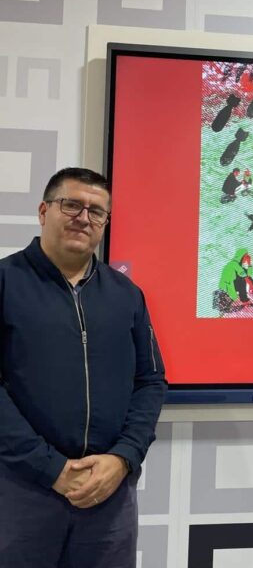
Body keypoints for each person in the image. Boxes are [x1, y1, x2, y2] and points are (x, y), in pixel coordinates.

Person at [0, 167, 167, 568]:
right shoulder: (6, 283)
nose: (83, 218)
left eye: (96, 211)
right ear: (44, 211)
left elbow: (150, 381)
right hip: (21, 489)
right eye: (71, 205)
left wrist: (123, 457)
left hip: (109, 494)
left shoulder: (126, 295)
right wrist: (50, 467)